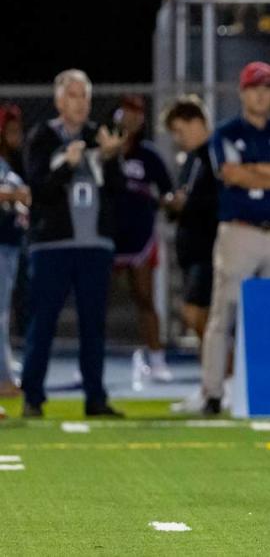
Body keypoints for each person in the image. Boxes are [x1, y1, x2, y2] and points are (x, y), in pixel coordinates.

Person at [202, 62, 270, 415]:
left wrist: (255, 170)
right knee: (225, 314)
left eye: (268, 87)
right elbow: (232, 175)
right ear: (243, 91)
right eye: (255, 87)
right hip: (240, 231)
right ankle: (213, 393)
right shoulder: (227, 132)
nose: (262, 94)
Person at [20, 69, 126, 418]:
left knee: (93, 325)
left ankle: (95, 397)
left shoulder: (100, 135)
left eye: (84, 96)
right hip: (53, 245)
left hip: (95, 244)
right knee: (43, 322)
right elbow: (38, 190)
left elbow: (118, 192)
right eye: (73, 95)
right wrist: (67, 165)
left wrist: (111, 160)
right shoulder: (42, 137)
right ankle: (32, 397)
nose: (80, 103)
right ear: (58, 100)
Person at [111, 95, 175, 383]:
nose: (131, 118)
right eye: (127, 112)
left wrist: (163, 202)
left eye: (137, 113)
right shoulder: (104, 149)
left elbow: (168, 191)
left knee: (145, 298)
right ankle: (90, 361)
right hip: (107, 237)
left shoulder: (148, 154)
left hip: (140, 237)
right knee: (97, 300)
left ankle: (157, 359)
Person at [162, 95, 219, 413]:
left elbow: (213, 200)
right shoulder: (193, 159)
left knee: (204, 319)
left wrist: (186, 203)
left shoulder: (213, 155)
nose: (177, 138)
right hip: (195, 248)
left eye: (180, 129)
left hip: (208, 248)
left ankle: (218, 385)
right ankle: (211, 385)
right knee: (202, 320)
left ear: (197, 122)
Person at [0, 148, 29, 397]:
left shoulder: (5, 164)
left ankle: (4, 377)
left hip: (8, 245)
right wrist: (11, 195)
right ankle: (3, 381)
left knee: (2, 316)